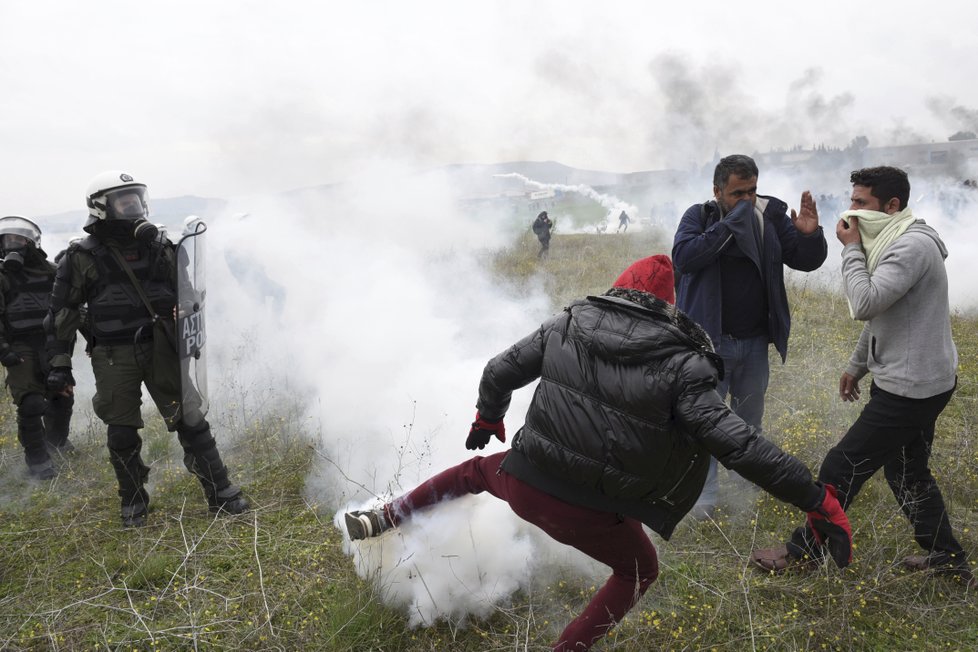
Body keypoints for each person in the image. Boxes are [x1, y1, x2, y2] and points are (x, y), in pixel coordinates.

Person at [344, 255, 851, 652]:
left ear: (619, 288)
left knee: (475, 472)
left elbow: (499, 370)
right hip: (592, 512)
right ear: (668, 306)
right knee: (639, 570)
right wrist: (816, 499)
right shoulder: (684, 363)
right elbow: (740, 445)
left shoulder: (567, 323)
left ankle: (384, 516)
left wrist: (489, 416)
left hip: (523, 482)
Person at [751, 166, 973, 585]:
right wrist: (858, 364)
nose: (851, 212)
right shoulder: (893, 239)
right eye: (852, 200)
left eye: (861, 203)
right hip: (918, 380)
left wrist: (850, 249)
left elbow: (865, 303)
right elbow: (886, 315)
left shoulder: (911, 247)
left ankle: (804, 552)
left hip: (912, 388)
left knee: (841, 464)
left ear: (892, 206)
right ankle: (947, 556)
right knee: (907, 472)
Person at [44, 170, 249, 527]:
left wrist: (184, 310)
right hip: (113, 353)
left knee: (192, 420)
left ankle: (221, 492)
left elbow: (186, 292)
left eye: (137, 198)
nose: (134, 206)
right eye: (124, 201)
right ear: (101, 208)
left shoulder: (162, 247)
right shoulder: (80, 256)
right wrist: (60, 364)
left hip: (163, 346)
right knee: (122, 430)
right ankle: (134, 502)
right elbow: (63, 312)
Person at [672, 154, 828, 518]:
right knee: (704, 425)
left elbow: (805, 260)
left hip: (755, 342)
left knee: (748, 425)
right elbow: (684, 257)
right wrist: (733, 224)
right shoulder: (700, 217)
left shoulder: (770, 216)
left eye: (752, 191)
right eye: (737, 193)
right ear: (717, 191)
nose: (747, 199)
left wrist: (809, 236)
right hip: (709, 346)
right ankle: (703, 501)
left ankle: (745, 496)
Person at [0, 216, 74, 479]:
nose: (13, 245)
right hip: (20, 348)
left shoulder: (53, 273)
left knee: (61, 396)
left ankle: (57, 443)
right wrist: (5, 352)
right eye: (7, 240)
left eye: (19, 240)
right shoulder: (2, 278)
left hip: (51, 344)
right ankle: (38, 460)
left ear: (32, 242)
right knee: (30, 404)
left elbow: (71, 309)